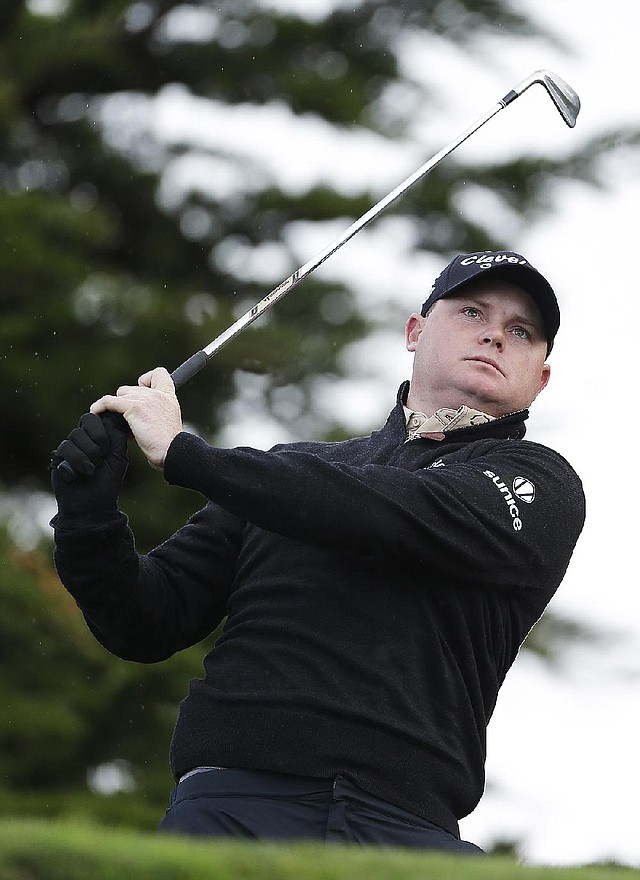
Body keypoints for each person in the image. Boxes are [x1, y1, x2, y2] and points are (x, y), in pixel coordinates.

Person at [50, 250, 585, 853]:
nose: (494, 333)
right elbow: (145, 620)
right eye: (471, 311)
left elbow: (390, 514)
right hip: (231, 805)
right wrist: (88, 516)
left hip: (405, 830)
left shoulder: (539, 482)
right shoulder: (289, 472)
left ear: (540, 377)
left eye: (521, 331)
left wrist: (187, 454)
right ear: (414, 331)